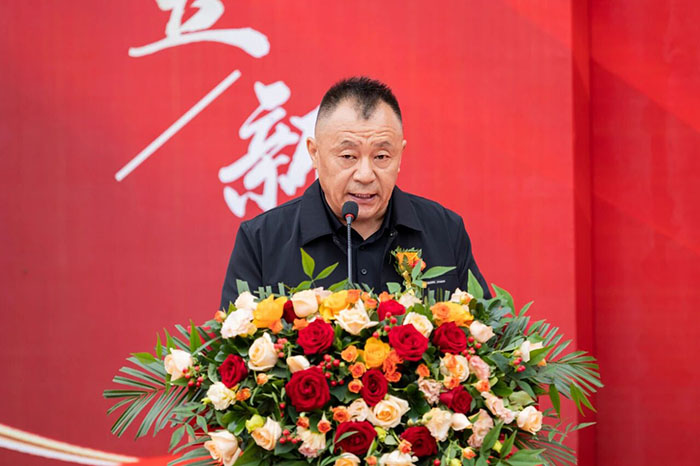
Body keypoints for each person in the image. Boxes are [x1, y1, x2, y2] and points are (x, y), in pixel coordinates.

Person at [220, 77, 489, 308]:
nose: (365, 174)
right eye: (348, 156)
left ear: (400, 155)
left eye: (381, 156)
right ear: (314, 153)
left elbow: (487, 335)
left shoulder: (444, 230)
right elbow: (234, 345)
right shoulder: (262, 240)